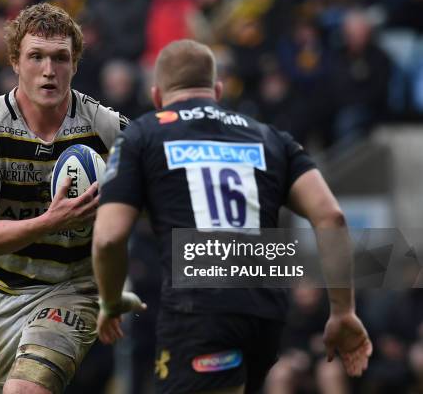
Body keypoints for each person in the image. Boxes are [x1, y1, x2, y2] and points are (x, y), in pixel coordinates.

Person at [92, 39, 373, 394]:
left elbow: (108, 237)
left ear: (157, 96)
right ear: (218, 91)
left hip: (199, 312)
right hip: (266, 315)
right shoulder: (271, 137)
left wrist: (111, 301)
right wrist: (343, 312)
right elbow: (331, 217)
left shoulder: (142, 135)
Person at [0, 3, 136, 394]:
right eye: (36, 56)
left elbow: (162, 183)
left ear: (76, 63)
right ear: (15, 62)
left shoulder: (103, 126)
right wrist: (52, 221)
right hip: (2, 294)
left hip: (75, 287)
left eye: (60, 57)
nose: (49, 70)